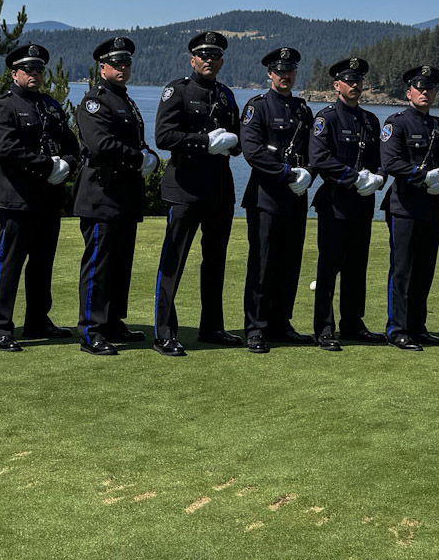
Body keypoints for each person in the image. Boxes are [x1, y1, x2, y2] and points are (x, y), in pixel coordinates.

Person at [151, 30, 244, 356]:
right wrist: (204, 142)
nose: (209, 60)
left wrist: (235, 142)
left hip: (220, 191)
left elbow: (237, 139)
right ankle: (164, 333)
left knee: (215, 261)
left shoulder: (226, 94)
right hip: (185, 189)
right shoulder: (177, 90)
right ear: (192, 58)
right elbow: (163, 136)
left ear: (221, 60)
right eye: (203, 55)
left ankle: (212, 327)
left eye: (215, 55)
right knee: (173, 262)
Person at [0, 43, 79, 351]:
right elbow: (5, 148)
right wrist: (48, 165)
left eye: (39, 70)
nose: (34, 74)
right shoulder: (3, 106)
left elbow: (70, 143)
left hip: (48, 198)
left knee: (42, 264)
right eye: (28, 69)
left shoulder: (50, 105)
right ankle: (0, 326)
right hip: (16, 198)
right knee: (10, 263)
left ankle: (38, 319)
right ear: (14, 73)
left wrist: (68, 164)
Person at [75, 36, 159, 355]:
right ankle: (91, 329)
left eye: (126, 63)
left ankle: (111, 322)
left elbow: (135, 140)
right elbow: (101, 145)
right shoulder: (95, 101)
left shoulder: (125, 100)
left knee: (121, 263)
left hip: (123, 194)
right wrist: (139, 158)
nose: (122, 68)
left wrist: (147, 152)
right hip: (102, 192)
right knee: (99, 264)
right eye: (116, 63)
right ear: (102, 67)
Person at [238, 46, 315, 353]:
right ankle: (256, 328)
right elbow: (252, 151)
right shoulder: (257, 107)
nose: (286, 75)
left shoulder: (302, 109)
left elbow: (314, 148)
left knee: (289, 264)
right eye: (280, 70)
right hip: (266, 197)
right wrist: (288, 173)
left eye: (291, 70)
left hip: (296, 197)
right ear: (270, 73)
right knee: (262, 263)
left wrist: (308, 172)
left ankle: (281, 323)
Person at [379, 64, 439, 351]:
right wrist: (423, 176)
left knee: (425, 270)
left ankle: (418, 326)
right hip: (404, 206)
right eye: (420, 88)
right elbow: (389, 162)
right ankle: (397, 329)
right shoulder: (397, 122)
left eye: (430, 88)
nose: (425, 92)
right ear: (408, 92)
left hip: (431, 208)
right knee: (402, 270)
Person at [309, 57, 386, 351]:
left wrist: (378, 177)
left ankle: (353, 323)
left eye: (358, 80)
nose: (354, 85)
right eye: (348, 80)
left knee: (357, 267)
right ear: (336, 84)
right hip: (335, 202)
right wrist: (353, 177)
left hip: (362, 204)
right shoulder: (326, 118)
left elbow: (380, 160)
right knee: (329, 266)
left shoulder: (370, 120)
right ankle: (324, 328)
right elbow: (319, 158)